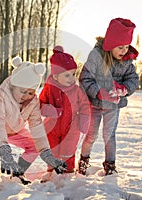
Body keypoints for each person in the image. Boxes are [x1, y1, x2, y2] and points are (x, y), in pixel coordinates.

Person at [0, 56, 67, 188]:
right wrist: (4, 152)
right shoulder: (2, 96)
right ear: (13, 86)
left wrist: (46, 152)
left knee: (33, 146)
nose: (26, 95)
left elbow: (37, 126)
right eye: (22, 91)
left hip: (15, 129)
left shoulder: (33, 102)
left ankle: (17, 172)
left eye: (31, 92)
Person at [78, 18, 139, 175]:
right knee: (91, 135)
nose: (124, 51)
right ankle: (84, 161)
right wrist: (99, 92)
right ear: (111, 44)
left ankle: (110, 165)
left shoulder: (127, 61)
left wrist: (124, 89)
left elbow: (133, 79)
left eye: (126, 47)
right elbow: (85, 78)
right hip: (95, 104)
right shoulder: (96, 56)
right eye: (120, 47)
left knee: (109, 136)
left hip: (113, 105)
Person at [39, 46, 91, 180]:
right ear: (55, 75)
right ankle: (51, 171)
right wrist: (48, 110)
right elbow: (40, 103)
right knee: (52, 149)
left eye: (73, 74)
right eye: (67, 75)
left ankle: (67, 174)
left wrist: (84, 120)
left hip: (72, 126)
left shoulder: (77, 90)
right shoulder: (49, 89)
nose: (72, 78)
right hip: (52, 126)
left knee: (68, 150)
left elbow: (85, 105)